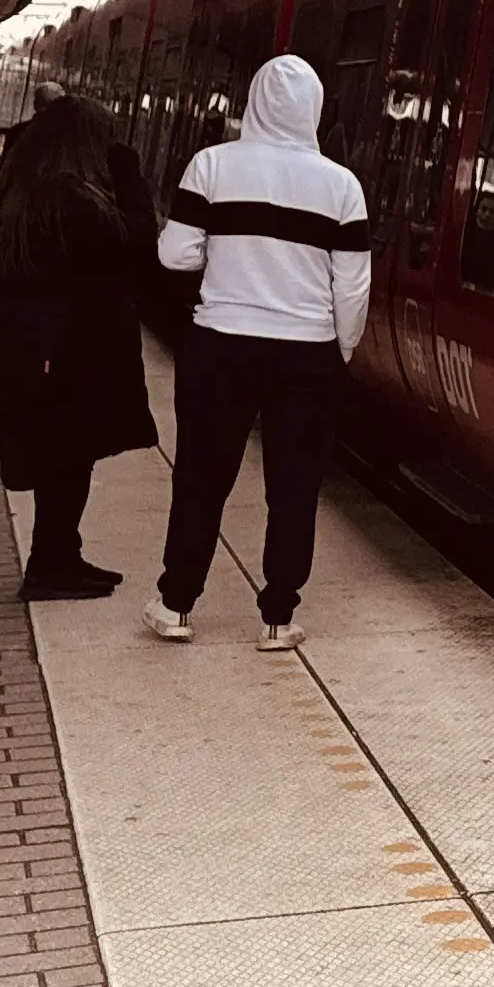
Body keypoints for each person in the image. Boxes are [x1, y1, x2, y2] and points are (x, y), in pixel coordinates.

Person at [148, 53, 369, 651]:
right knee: (294, 486)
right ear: (316, 109)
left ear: (252, 101)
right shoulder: (342, 186)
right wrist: (339, 348)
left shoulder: (211, 166)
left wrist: (225, 259)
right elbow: (351, 285)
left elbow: (175, 254)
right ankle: (277, 615)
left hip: (221, 346)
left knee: (201, 475)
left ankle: (176, 605)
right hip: (308, 354)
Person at [0, 95, 156, 599]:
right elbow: (137, 239)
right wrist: (127, 172)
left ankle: (59, 555)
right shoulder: (70, 197)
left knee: (65, 457)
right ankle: (50, 566)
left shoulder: (23, 189)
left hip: (38, 345)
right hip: (69, 350)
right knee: (69, 459)